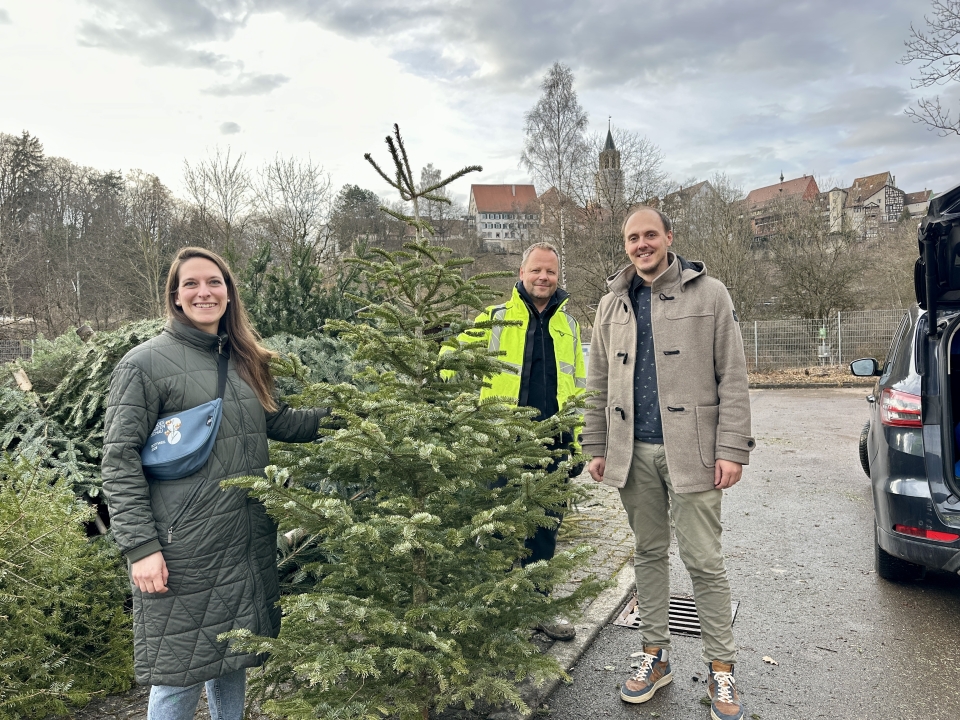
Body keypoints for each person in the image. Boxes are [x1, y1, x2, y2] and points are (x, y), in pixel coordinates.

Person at [102, 247, 328, 720]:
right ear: (175, 296)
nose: (204, 291)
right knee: (178, 673)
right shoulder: (144, 364)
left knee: (233, 658)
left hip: (242, 537)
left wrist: (355, 416)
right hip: (184, 547)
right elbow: (119, 460)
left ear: (229, 293)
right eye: (192, 283)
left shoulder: (243, 358)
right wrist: (140, 548)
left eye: (214, 282)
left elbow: (281, 422)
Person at [582, 208, 754, 720]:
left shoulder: (711, 294)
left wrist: (732, 448)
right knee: (648, 554)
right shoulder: (611, 304)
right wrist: (596, 445)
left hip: (695, 452)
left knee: (704, 561)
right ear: (626, 245)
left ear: (669, 238)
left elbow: (735, 377)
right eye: (633, 238)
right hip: (631, 453)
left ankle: (721, 670)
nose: (641, 244)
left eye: (649, 235)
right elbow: (596, 384)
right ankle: (655, 655)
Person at [450, 241, 586, 641]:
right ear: (522, 273)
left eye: (551, 272)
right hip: (501, 446)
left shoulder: (569, 327)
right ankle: (490, 615)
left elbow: (579, 390)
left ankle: (537, 608)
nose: (544, 278)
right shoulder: (494, 319)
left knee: (544, 533)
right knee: (494, 530)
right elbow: (449, 360)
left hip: (552, 448)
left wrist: (577, 447)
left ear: (558, 278)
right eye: (536, 271)